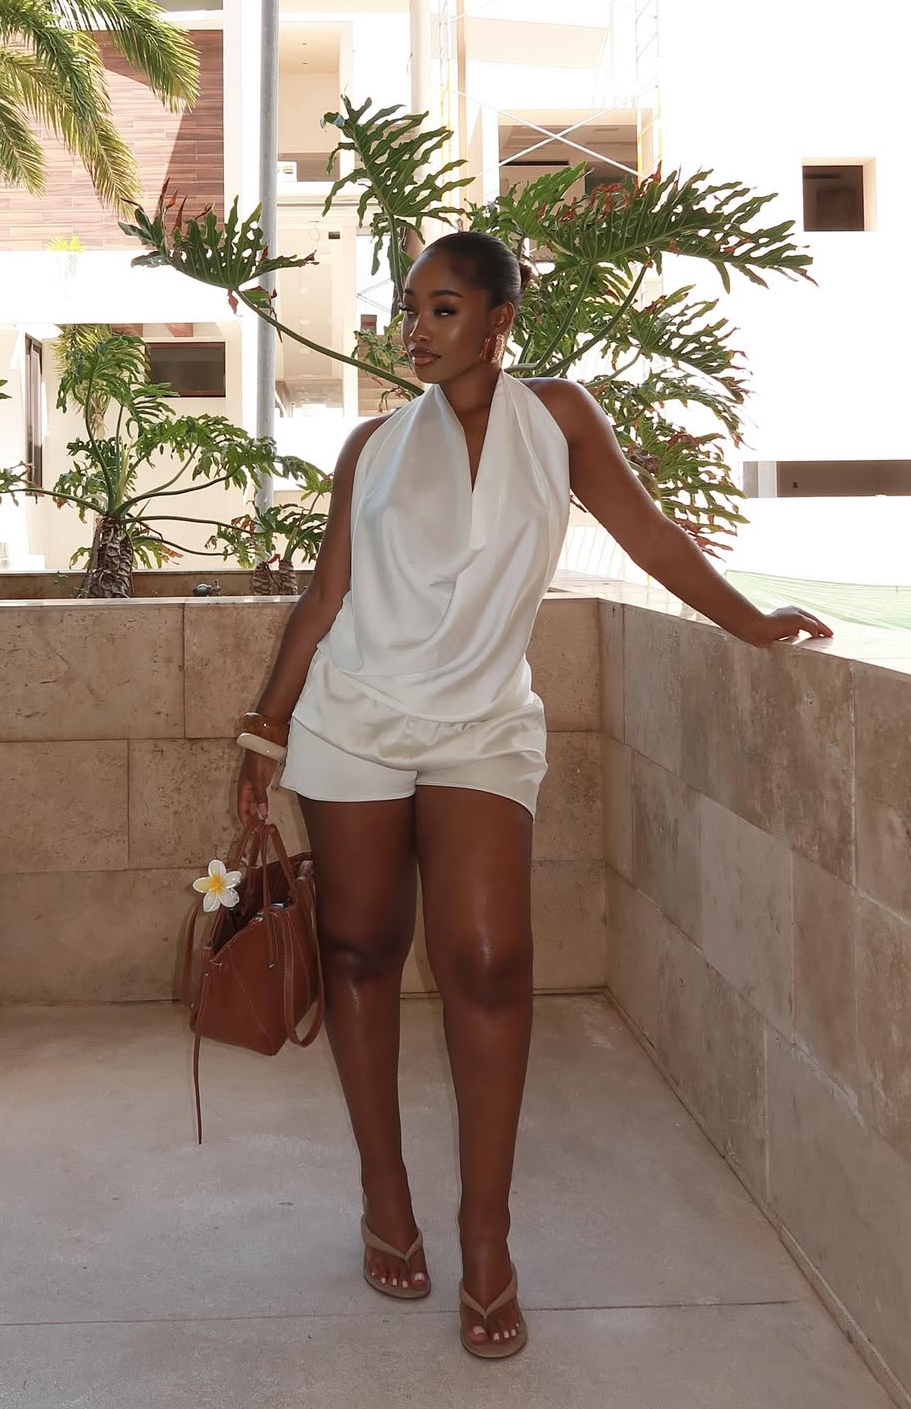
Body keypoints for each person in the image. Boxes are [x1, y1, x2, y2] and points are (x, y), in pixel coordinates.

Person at [233, 231, 833, 1360]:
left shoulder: (557, 418)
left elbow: (649, 533)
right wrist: (264, 729)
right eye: (410, 308)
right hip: (355, 714)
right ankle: (384, 1196)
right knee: (359, 949)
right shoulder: (370, 446)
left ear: (499, 321)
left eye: (443, 308)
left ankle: (487, 1233)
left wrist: (749, 620)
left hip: (483, 721)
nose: (415, 329)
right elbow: (325, 596)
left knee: (491, 960)